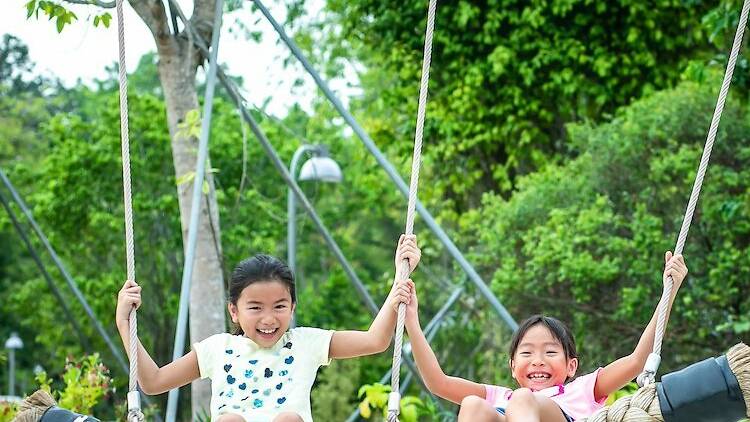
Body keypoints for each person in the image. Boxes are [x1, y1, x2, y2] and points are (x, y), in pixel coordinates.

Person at [115, 235, 420, 422]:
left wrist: (398, 283)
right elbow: (153, 381)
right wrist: (125, 323)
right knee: (229, 420)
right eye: (255, 307)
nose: (269, 318)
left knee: (288, 418)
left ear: (293, 307)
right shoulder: (217, 349)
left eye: (279, 306)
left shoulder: (305, 343)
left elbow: (375, 340)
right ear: (233, 311)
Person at [401, 251, 688, 421]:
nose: (537, 361)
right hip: (512, 407)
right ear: (513, 366)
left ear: (571, 366)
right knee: (474, 405)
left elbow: (638, 361)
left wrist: (668, 294)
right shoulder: (501, 396)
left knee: (523, 400)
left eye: (550, 352)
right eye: (526, 353)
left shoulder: (585, 388)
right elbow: (437, 382)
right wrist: (412, 322)